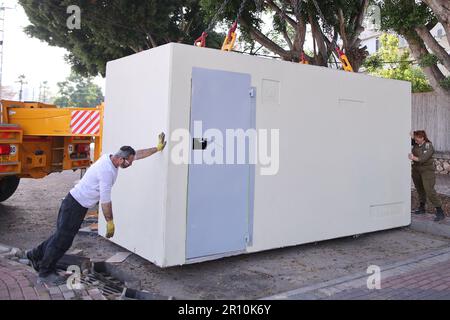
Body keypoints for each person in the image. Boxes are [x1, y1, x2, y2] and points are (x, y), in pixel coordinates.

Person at [26, 133, 167, 286]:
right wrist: (110, 222)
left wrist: (156, 148)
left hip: (75, 204)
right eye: (129, 162)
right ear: (121, 159)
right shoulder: (106, 171)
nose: (131, 164)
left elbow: (137, 154)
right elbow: (106, 202)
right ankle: (45, 272)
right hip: (74, 205)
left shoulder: (112, 158)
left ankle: (34, 254)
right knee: (63, 240)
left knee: (60, 236)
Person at [409, 130, 445, 222]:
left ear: (422, 138)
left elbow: (423, 158)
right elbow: (407, 138)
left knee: (429, 189)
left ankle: (440, 211)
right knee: (419, 189)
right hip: (416, 170)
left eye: (417, 139)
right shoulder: (416, 143)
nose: (415, 141)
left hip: (427, 171)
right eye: (415, 139)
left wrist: (413, 158)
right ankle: (422, 207)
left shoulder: (429, 146)